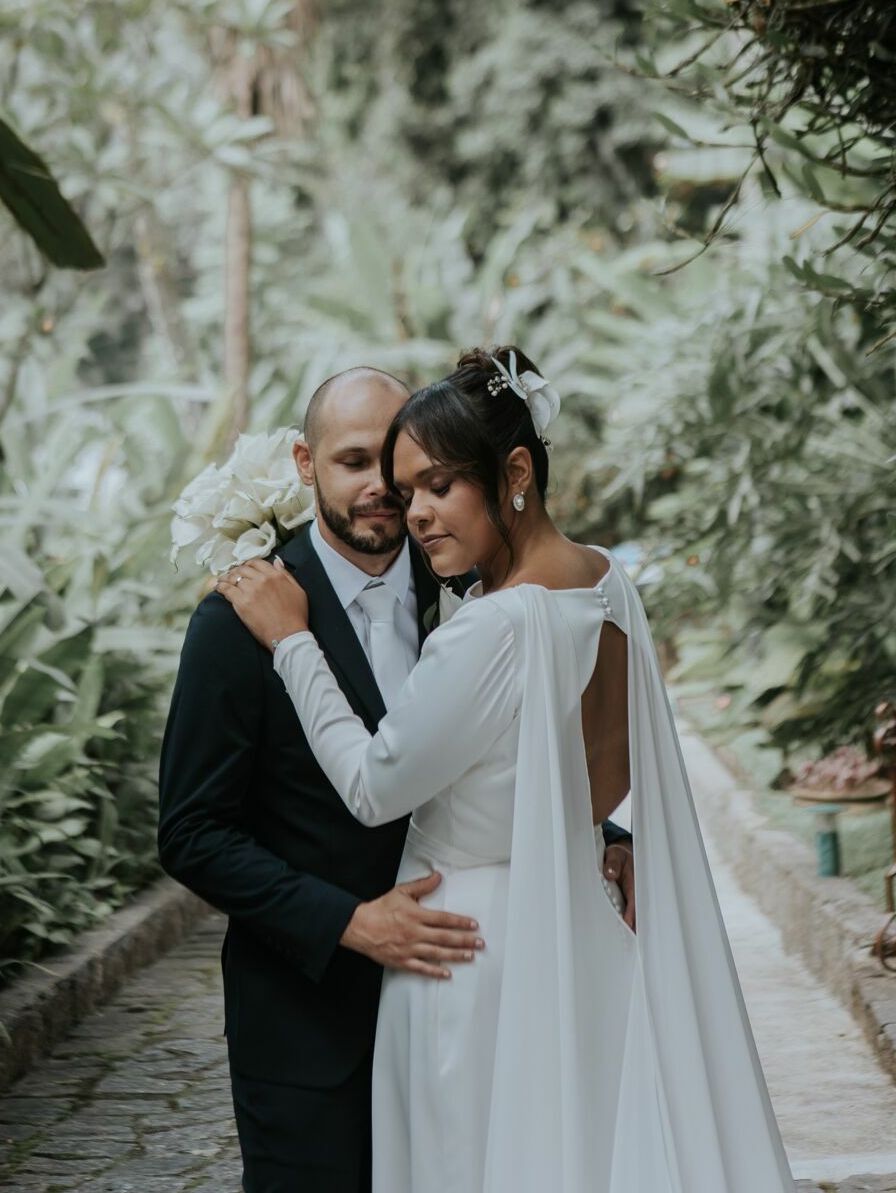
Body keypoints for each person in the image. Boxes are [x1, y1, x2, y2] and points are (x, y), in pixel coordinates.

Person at [217, 347, 795, 1193]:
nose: (415, 513)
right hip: (579, 927)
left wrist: (292, 642)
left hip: (468, 953)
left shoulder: (491, 628)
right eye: (405, 489)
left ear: (513, 471)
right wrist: (605, 834)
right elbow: (584, 762)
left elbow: (375, 787)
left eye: (438, 485)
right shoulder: (605, 581)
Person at [158, 365, 634, 1193]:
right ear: (305, 466)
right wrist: (345, 922)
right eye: (353, 463)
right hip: (312, 1031)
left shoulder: (467, 583)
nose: (387, 491)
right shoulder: (238, 619)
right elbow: (192, 835)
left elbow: (509, 746)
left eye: (403, 466)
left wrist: (598, 833)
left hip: (475, 1008)